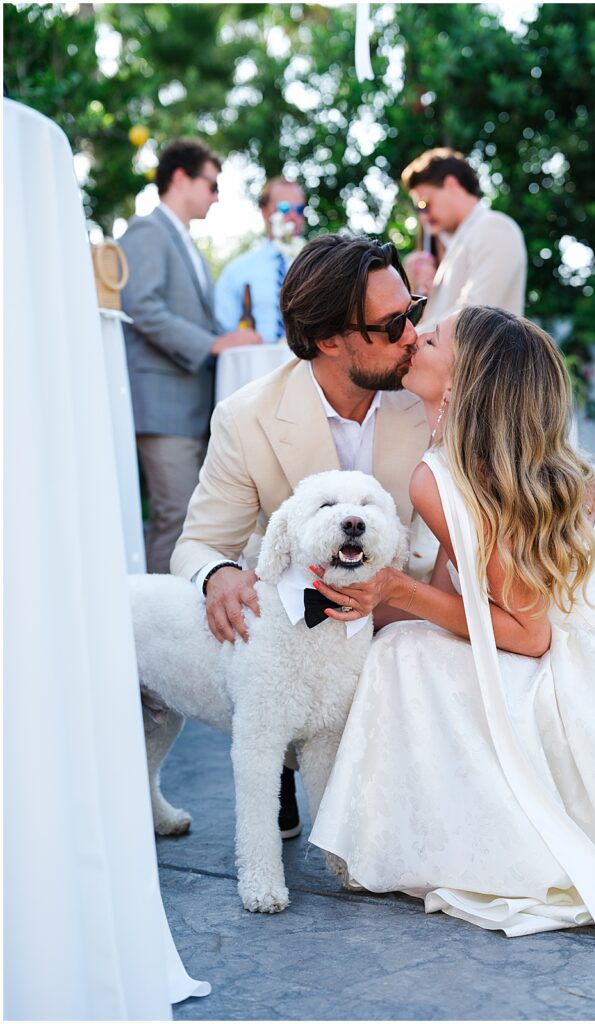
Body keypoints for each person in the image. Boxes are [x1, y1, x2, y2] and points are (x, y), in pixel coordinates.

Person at [308, 306, 595, 944]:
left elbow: (528, 634)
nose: (414, 340)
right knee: (408, 637)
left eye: (432, 338)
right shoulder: (495, 466)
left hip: (589, 684)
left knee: (402, 654)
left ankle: (435, 836)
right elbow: (460, 590)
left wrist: (396, 590)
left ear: (467, 380)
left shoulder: (439, 477)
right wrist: (358, 595)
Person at [170, 234, 433, 838]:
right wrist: (220, 574)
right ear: (328, 340)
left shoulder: (427, 393)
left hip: (402, 605)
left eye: (413, 311)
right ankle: (285, 752)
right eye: (392, 325)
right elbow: (198, 542)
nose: (413, 335)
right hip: (302, 620)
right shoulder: (247, 416)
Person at [120, 138, 261, 573]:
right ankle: (153, 630)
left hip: (191, 406)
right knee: (174, 518)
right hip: (164, 407)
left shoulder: (186, 243)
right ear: (181, 178)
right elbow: (139, 304)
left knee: (193, 521)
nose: (217, 196)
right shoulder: (148, 230)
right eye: (212, 184)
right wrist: (213, 344)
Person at [402, 148, 527, 330]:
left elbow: (474, 318)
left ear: (451, 184)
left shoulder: (494, 227)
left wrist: (405, 339)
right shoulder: (457, 244)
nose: (423, 217)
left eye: (424, 204)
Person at [214, 178, 307, 342]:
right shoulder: (237, 271)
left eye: (299, 209)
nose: (293, 216)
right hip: (257, 363)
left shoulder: (315, 269)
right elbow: (222, 332)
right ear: (265, 212)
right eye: (284, 208)